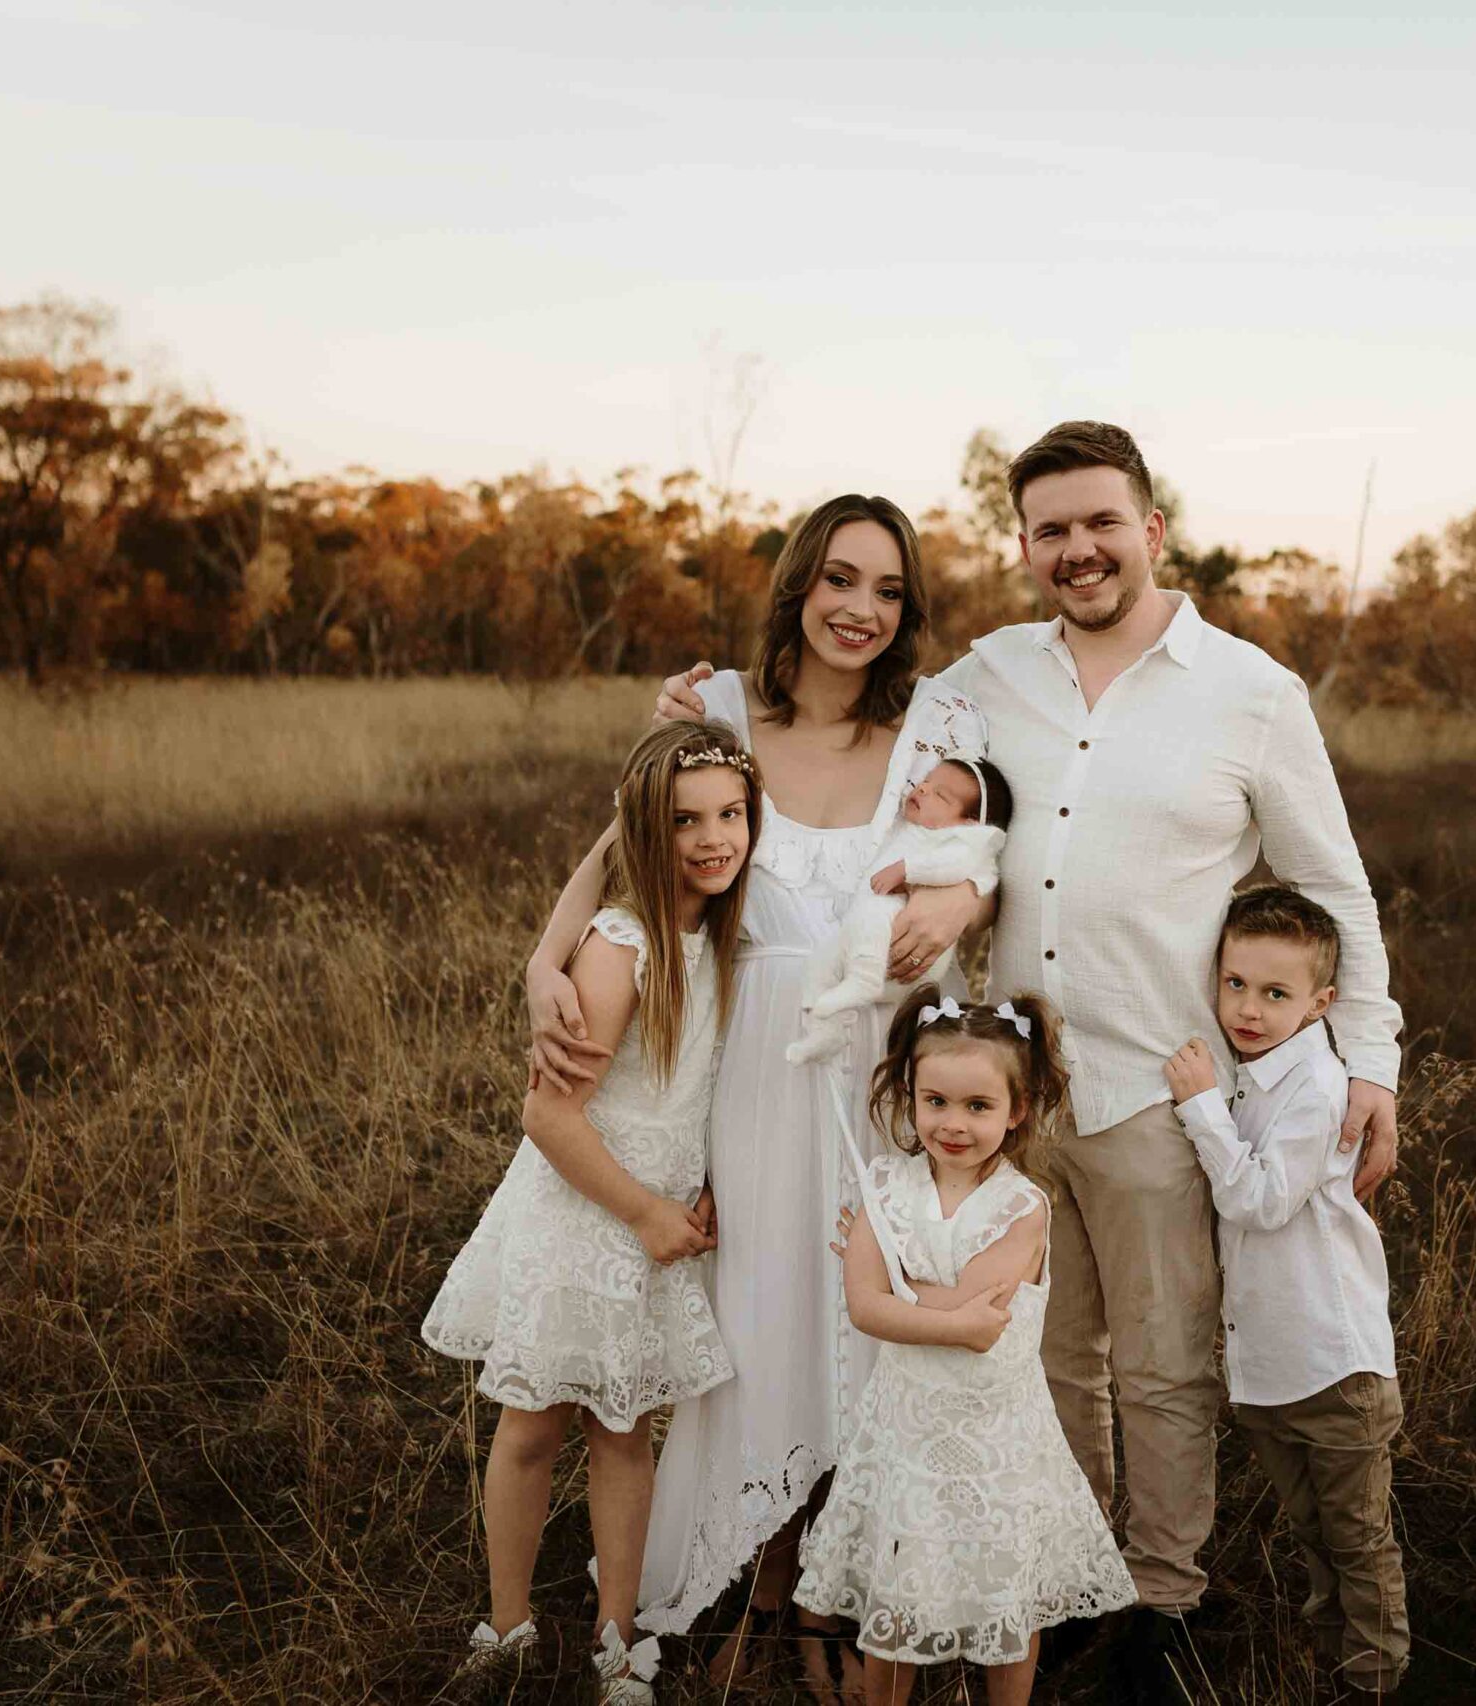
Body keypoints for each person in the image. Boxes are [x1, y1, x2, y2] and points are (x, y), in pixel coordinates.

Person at [653, 420, 1402, 1696]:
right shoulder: (985, 678)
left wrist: (1370, 1055)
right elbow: (851, 686)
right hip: (995, 1089)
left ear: (1153, 529)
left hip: (1159, 1078)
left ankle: (1160, 1599)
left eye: (1102, 522)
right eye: (1049, 529)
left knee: (1163, 1359)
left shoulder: (1252, 690)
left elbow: (1331, 881)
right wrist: (707, 707)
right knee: (1031, 1355)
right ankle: (1050, 1580)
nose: (1078, 550)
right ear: (1024, 546)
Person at [523, 493, 987, 1695]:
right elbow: (630, 835)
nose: (862, 611)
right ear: (798, 586)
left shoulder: (939, 720)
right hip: (750, 1072)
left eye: (888, 591)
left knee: (877, 1316)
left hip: (892, 1070)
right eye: (841, 580)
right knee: (764, 1313)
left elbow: (986, 856)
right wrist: (544, 954)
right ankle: (767, 1570)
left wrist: (964, 903)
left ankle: (849, 1577)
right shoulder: (718, 708)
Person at [422, 720, 758, 1703]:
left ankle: (620, 1640)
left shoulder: (726, 939)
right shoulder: (621, 946)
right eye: (685, 819)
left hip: (657, 1216)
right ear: (643, 832)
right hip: (587, 1206)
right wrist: (646, 1210)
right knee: (532, 1422)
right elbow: (545, 1110)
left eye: (731, 813)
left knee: (623, 1427)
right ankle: (507, 1623)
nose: (713, 836)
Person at [795, 986, 1137, 1706]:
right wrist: (929, 1309)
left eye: (978, 1107)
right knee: (900, 1588)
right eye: (936, 1102)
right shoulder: (883, 1186)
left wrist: (898, 1281)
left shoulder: (1023, 1207)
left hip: (996, 1440)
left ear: (1018, 1110)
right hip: (908, 1432)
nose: (953, 1124)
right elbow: (868, 1310)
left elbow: (973, 1316)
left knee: (1002, 1597)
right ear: (909, 1096)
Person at [1164, 886, 1406, 1700]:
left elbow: (1260, 1200)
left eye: (1276, 994)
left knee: (1358, 1539)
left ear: (1320, 1002)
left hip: (1334, 1365)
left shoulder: (1317, 1088)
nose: (1250, 1009)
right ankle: (1326, 1658)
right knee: (1311, 1531)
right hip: (1268, 1367)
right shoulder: (1248, 1069)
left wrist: (1200, 1107)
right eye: (1236, 984)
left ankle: (1371, 1679)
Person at [786, 755, 1010, 1065]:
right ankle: (825, 1032)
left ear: (969, 822)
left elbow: (955, 866)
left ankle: (864, 979)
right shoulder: (910, 828)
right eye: (925, 783)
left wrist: (907, 870)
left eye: (941, 795)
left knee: (873, 919)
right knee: (821, 963)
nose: (923, 790)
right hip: (868, 936)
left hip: (905, 945)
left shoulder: (965, 842)